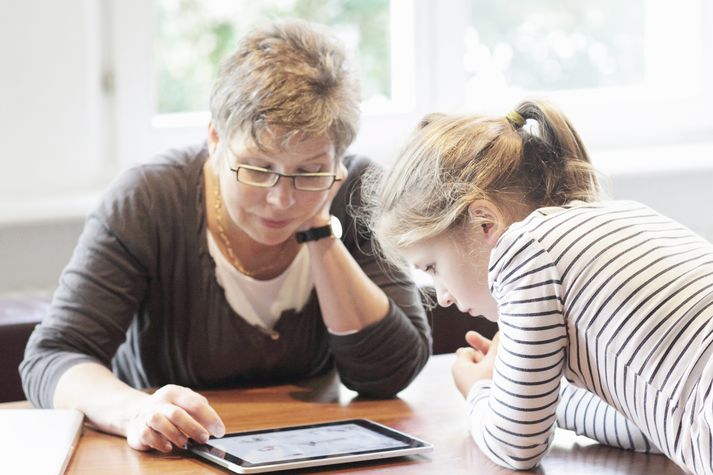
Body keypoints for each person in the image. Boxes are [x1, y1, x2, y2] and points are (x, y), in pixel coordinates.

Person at [20, 19, 431, 454]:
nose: (280, 198)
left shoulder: (357, 190)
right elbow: (53, 357)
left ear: (338, 159)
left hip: (310, 448)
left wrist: (319, 230)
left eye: (308, 173)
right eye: (257, 167)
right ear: (215, 138)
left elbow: (388, 374)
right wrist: (134, 410)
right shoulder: (149, 200)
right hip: (169, 456)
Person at [363, 100, 713, 474]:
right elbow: (649, 425)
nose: (444, 296)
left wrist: (481, 391)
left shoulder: (525, 250)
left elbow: (516, 446)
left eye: (432, 266)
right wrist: (527, 396)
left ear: (484, 223)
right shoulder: (631, 215)